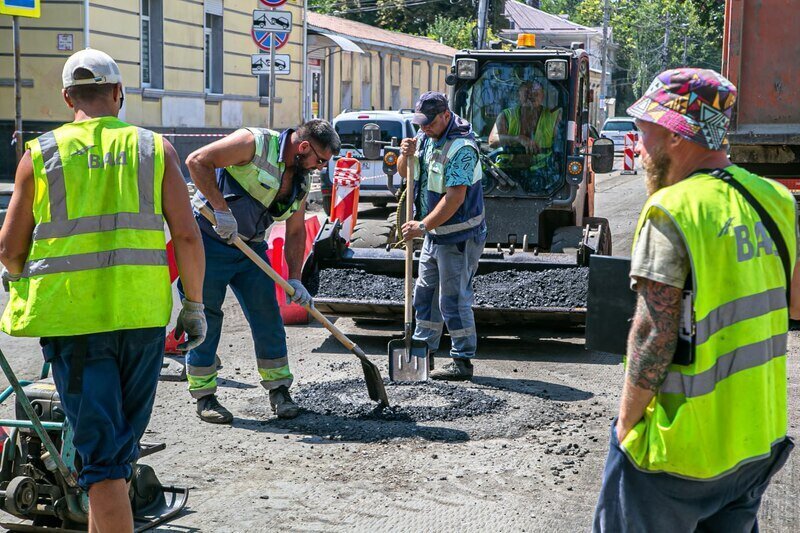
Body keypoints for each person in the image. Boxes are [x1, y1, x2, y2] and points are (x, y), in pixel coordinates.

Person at [0, 49, 206, 533]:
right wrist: (193, 307)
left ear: (67, 96)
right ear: (119, 94)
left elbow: (9, 249)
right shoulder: (155, 150)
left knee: (105, 464)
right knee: (115, 456)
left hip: (74, 323)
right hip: (141, 322)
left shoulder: (42, 153)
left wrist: (19, 275)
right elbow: (189, 235)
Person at [593, 68, 800, 532]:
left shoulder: (673, 208)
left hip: (680, 453)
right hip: (754, 442)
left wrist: (625, 429)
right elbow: (795, 305)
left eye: (645, 135)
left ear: (676, 136)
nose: (641, 151)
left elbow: (653, 334)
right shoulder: (775, 199)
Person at [184, 119, 339, 423]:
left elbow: (295, 232)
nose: (320, 167)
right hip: (209, 239)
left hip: (250, 247)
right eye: (319, 160)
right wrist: (221, 211)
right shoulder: (254, 143)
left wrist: (295, 277)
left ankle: (279, 390)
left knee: (267, 315)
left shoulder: (302, 179)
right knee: (207, 315)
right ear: (303, 147)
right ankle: (204, 395)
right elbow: (197, 161)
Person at [397, 92, 487, 381]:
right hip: (434, 234)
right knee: (424, 293)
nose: (423, 128)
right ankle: (423, 351)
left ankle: (462, 360)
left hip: (458, 236)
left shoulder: (462, 148)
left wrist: (422, 226)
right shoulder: (425, 138)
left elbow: (454, 199)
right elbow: (406, 173)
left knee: (452, 299)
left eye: (429, 122)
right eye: (420, 123)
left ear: (446, 116)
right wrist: (404, 155)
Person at [487, 80, 561, 174]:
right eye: (527, 93)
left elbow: (561, 148)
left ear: (542, 97)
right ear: (518, 96)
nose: (530, 97)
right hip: (506, 172)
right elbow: (492, 141)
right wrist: (519, 139)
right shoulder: (507, 115)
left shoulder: (553, 117)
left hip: (543, 173)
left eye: (535, 93)